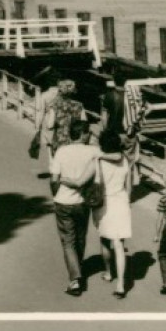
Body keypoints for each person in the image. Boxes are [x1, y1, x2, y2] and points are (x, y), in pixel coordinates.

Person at [49, 118, 100, 296]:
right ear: (84, 134)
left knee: (68, 241)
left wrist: (56, 194)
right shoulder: (93, 151)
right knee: (80, 238)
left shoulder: (62, 151)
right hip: (82, 202)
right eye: (88, 132)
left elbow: (54, 179)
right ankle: (78, 267)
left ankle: (75, 279)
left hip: (63, 201)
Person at [94, 142, 133, 298]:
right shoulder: (125, 160)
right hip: (121, 201)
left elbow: (98, 183)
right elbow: (129, 187)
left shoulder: (99, 160)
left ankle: (109, 272)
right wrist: (127, 202)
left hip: (104, 202)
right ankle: (121, 284)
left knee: (104, 240)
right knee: (119, 244)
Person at [37, 78, 84, 160]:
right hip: (74, 139)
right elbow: (84, 123)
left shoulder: (55, 105)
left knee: (57, 161)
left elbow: (50, 125)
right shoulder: (79, 105)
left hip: (59, 139)